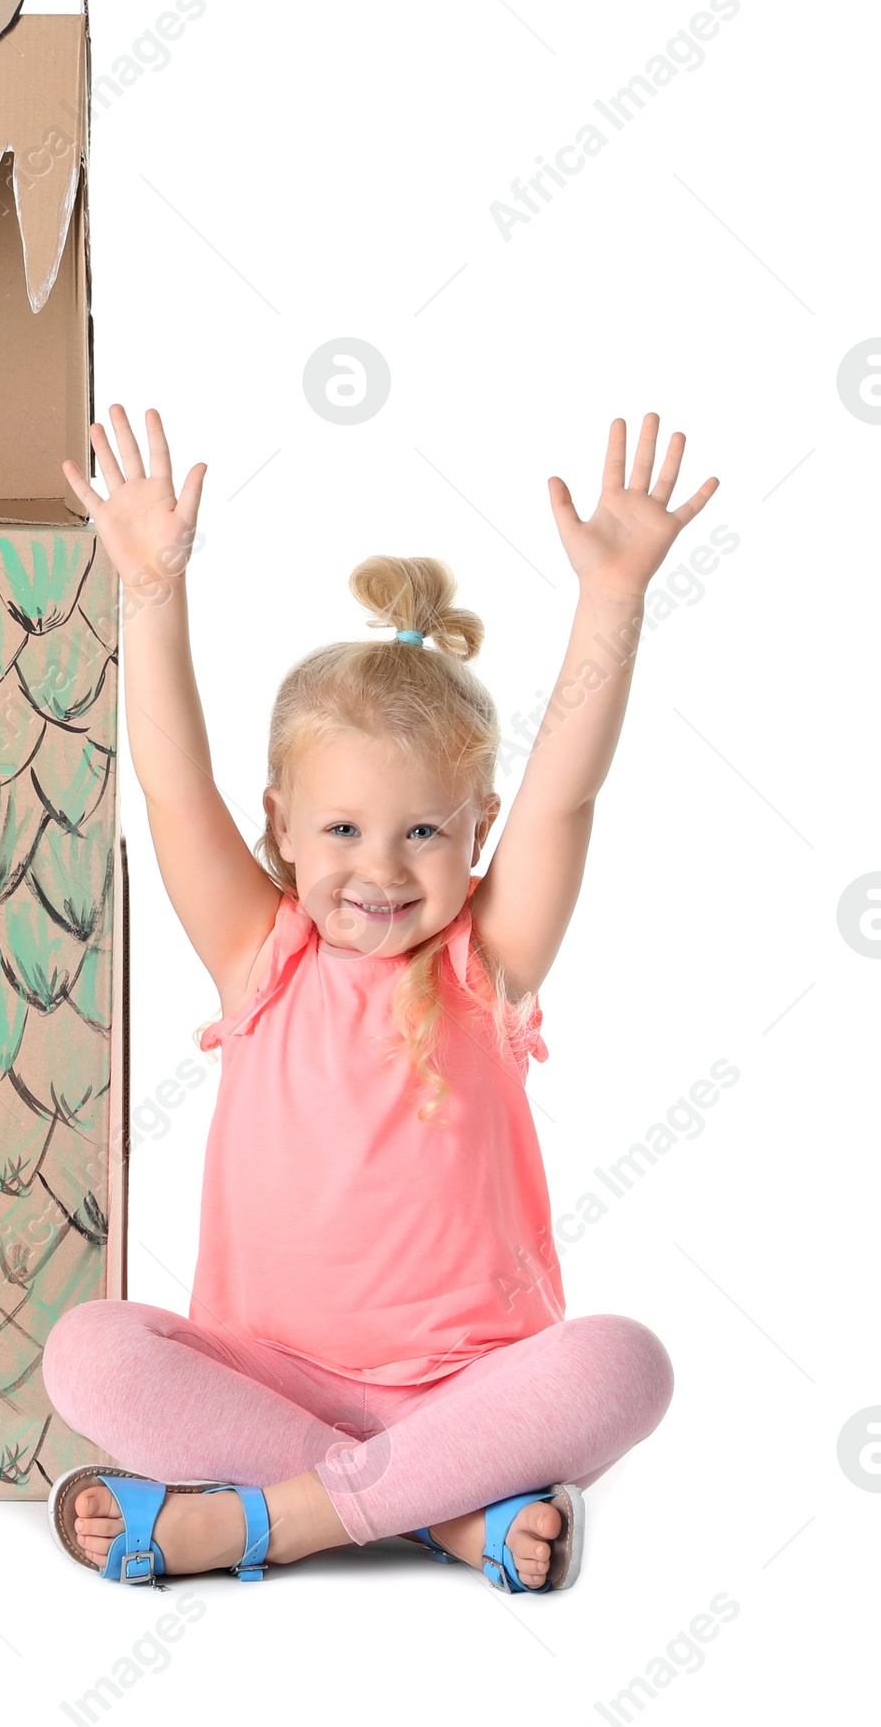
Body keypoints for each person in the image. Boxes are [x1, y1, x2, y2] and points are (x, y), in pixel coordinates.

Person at [42, 407, 718, 1592]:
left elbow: (564, 795)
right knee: (89, 1351)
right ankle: (444, 1513)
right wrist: (150, 586)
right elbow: (168, 781)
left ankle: (261, 1520)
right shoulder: (261, 951)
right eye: (343, 829)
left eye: (422, 833)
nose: (381, 867)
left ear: (475, 834)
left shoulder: (486, 960)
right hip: (271, 1378)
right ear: (279, 828)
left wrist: (610, 596)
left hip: (470, 1385)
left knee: (626, 1364)